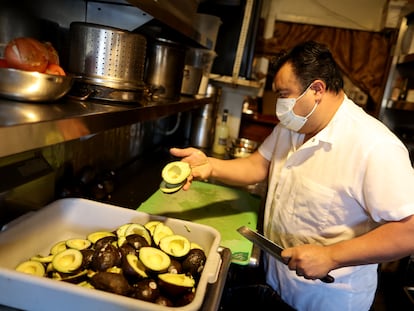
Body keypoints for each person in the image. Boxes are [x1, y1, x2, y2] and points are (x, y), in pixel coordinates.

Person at [169, 40, 414, 311]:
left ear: (317, 89)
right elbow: (258, 166)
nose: (280, 104)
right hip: (276, 278)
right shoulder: (294, 125)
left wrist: (332, 256)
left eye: (284, 94)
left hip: (326, 298)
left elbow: (409, 230)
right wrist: (211, 166)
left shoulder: (375, 146)